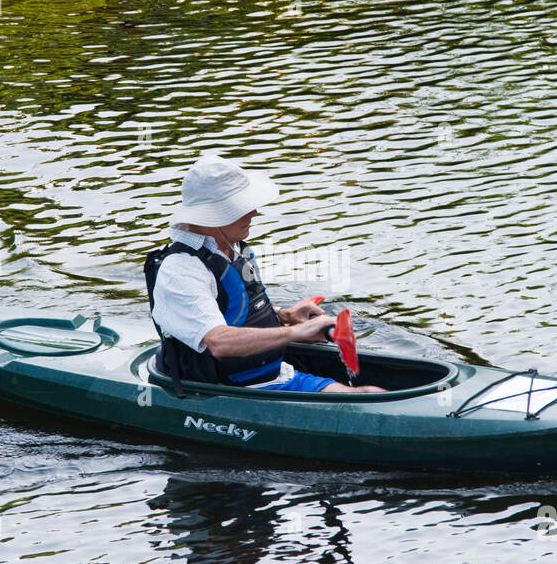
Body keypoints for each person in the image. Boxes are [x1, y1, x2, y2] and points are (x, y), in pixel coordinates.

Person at [145, 155, 386, 393]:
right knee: (369, 395)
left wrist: (283, 315)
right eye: (241, 208)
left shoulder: (231, 246)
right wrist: (296, 331)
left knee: (373, 392)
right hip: (228, 390)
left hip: (274, 373)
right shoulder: (181, 271)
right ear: (212, 215)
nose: (255, 213)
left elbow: (235, 309)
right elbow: (218, 342)